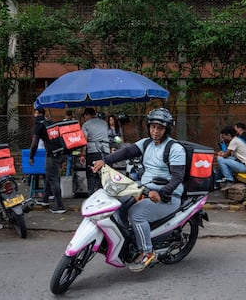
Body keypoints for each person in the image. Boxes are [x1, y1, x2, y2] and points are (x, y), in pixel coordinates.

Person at [92, 108, 186, 272]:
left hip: (167, 196)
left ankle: (147, 251)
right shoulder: (146, 143)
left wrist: (162, 193)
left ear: (167, 129)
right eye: (153, 127)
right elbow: (126, 152)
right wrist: (104, 161)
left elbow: (177, 177)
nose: (155, 131)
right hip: (144, 189)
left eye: (160, 128)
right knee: (117, 203)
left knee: (136, 215)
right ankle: (125, 242)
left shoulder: (175, 148)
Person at [29, 108, 66, 214]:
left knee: (53, 178)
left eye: (35, 113)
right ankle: (45, 200)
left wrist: (31, 156)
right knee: (50, 175)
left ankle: (60, 206)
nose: (34, 115)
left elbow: (34, 143)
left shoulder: (39, 125)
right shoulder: (50, 122)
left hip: (52, 154)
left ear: (39, 114)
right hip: (60, 152)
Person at [79, 107, 110, 195]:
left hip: (93, 151)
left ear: (87, 115)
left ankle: (92, 195)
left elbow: (84, 140)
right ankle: (105, 194)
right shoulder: (104, 123)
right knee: (104, 174)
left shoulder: (86, 125)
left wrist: (82, 154)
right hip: (106, 151)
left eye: (85, 116)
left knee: (91, 174)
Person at [217, 126, 246, 190]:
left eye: (224, 137)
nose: (223, 139)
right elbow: (229, 155)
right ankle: (230, 177)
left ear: (229, 135)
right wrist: (223, 153)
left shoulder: (234, 141)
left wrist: (221, 154)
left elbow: (225, 155)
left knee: (220, 159)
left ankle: (229, 180)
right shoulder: (236, 140)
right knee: (227, 159)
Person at [64, 110, 75, 176]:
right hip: (70, 143)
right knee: (69, 160)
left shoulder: (64, 122)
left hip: (68, 143)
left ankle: (68, 175)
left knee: (69, 160)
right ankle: (69, 175)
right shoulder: (74, 122)